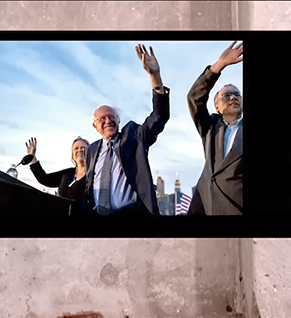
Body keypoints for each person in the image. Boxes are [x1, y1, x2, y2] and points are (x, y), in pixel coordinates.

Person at [82, 43, 169, 217]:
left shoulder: (133, 136)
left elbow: (159, 117)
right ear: (95, 126)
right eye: (102, 119)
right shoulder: (91, 150)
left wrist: (155, 77)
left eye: (112, 117)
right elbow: (89, 185)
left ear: (119, 120)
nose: (108, 121)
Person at [187, 41, 243, 216]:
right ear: (217, 107)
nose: (233, 97)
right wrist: (219, 65)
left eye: (237, 94)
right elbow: (194, 98)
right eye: (227, 95)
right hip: (207, 207)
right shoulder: (210, 127)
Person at [24, 136, 89, 205]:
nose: (80, 150)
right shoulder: (68, 173)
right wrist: (32, 157)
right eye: (76, 148)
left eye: (83, 148)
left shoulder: (94, 174)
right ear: (73, 155)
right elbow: (44, 179)